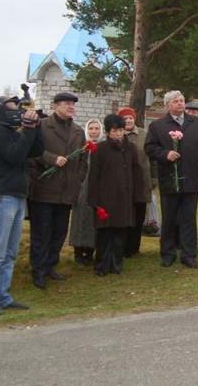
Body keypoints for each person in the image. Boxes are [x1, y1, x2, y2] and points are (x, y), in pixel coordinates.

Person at [0, 97, 43, 315]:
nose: (17, 114)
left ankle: (1, 295)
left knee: (10, 252)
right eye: (12, 110)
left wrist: (36, 126)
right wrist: (28, 130)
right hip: (2, 196)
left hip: (16, 195)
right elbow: (15, 156)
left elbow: (36, 150)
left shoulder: (12, 132)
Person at [144, 90, 198, 268]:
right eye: (175, 101)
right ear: (168, 105)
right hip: (169, 179)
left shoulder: (196, 124)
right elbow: (149, 148)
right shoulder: (157, 126)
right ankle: (168, 253)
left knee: (188, 218)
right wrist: (165, 154)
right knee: (170, 218)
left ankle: (188, 254)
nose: (180, 104)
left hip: (191, 178)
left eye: (182, 100)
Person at [28, 92, 86, 289]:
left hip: (67, 191)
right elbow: (32, 152)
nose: (71, 107)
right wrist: (52, 159)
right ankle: (38, 270)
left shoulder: (78, 131)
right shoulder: (43, 126)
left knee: (59, 232)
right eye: (67, 104)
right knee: (42, 232)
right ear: (55, 106)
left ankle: (51, 265)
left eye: (72, 104)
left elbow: (83, 161)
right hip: (45, 189)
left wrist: (78, 180)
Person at [87, 114, 145, 275]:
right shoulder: (100, 149)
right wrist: (93, 200)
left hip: (125, 198)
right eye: (114, 131)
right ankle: (102, 265)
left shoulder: (131, 149)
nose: (118, 134)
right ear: (108, 132)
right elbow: (93, 176)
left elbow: (137, 172)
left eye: (120, 130)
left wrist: (138, 196)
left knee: (120, 234)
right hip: (105, 199)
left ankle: (116, 264)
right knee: (104, 234)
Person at [120, 107, 156, 257]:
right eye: (125, 118)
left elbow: (152, 158)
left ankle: (134, 248)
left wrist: (154, 178)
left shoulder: (144, 134)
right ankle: (123, 247)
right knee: (125, 215)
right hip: (123, 184)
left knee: (139, 215)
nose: (128, 121)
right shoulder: (118, 135)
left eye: (130, 118)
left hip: (142, 182)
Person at [70, 118, 104, 265]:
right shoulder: (81, 147)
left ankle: (90, 251)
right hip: (81, 187)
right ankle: (78, 250)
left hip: (97, 188)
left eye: (97, 129)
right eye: (91, 129)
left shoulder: (103, 147)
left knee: (92, 219)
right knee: (79, 218)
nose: (94, 131)